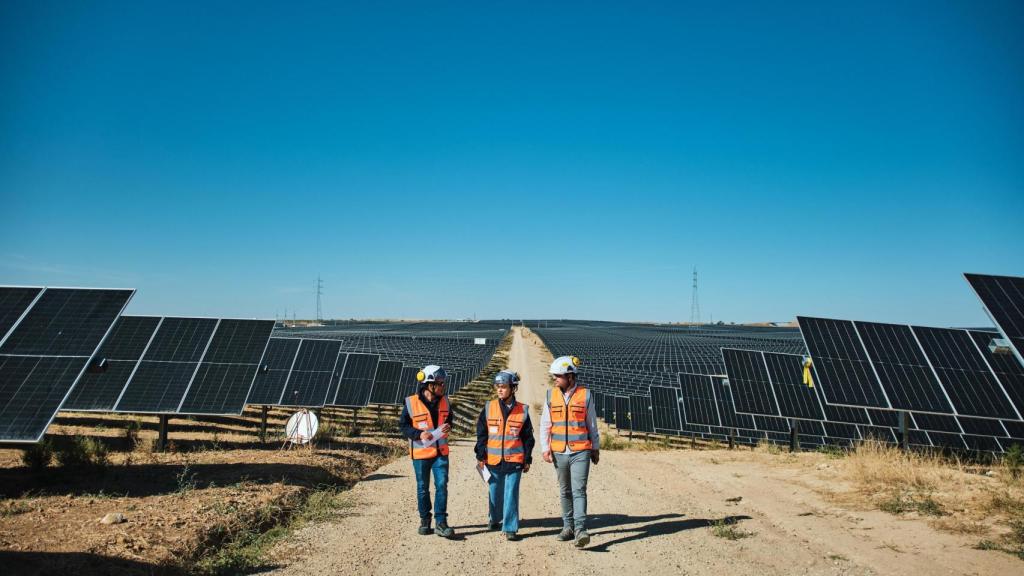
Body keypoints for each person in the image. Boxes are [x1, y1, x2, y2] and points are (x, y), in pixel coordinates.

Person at [540, 355, 600, 548]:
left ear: (571, 377)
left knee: (579, 490)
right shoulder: (551, 395)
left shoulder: (586, 395)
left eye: (558, 376)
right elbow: (545, 425)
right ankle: (568, 527)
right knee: (565, 491)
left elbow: (592, 424)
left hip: (580, 451)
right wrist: (544, 448)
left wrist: (595, 447)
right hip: (559, 451)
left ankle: (581, 529)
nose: (555, 379)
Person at [475, 370, 535, 541]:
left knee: (511, 493)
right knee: (494, 492)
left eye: (503, 387)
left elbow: (528, 438)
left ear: (513, 388)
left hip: (514, 461)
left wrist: (527, 459)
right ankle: (494, 519)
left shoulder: (522, 410)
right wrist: (480, 455)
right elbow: (481, 434)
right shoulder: (489, 408)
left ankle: (510, 527)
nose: (500, 390)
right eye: (498, 387)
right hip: (492, 460)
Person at [398, 364, 455, 538]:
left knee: (441, 486)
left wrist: (448, 426)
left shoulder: (445, 400)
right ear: (429, 384)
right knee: (423, 488)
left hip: (440, 453)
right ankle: (425, 520)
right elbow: (403, 425)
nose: (443, 386)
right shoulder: (411, 402)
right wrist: (418, 434)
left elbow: (450, 418)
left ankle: (441, 522)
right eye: (440, 383)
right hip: (421, 454)